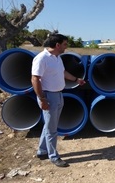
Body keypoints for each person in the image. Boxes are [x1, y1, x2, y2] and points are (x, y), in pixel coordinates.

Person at [31, 33, 86, 167]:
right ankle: (54, 156)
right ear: (57, 45)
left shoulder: (56, 58)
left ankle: (42, 150)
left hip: (58, 95)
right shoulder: (42, 58)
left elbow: (63, 72)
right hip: (48, 97)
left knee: (49, 125)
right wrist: (42, 99)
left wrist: (76, 79)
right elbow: (35, 79)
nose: (66, 47)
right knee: (52, 129)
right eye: (65, 44)